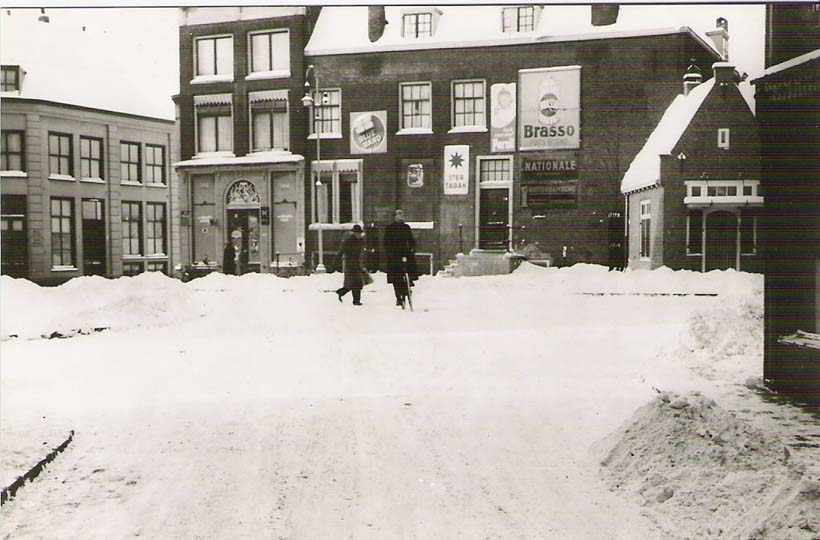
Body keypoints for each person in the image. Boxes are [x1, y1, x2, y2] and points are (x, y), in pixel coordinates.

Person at [383, 209, 418, 308]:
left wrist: (412, 248)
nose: (401, 216)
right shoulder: (389, 228)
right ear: (394, 216)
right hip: (394, 254)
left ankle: (409, 282)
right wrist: (389, 252)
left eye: (402, 214)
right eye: (399, 214)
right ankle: (398, 297)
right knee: (395, 276)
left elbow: (411, 240)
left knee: (410, 266)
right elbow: (386, 242)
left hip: (404, 252)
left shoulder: (406, 227)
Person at [334, 224, 366, 306]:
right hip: (350, 264)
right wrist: (336, 262)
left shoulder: (360, 241)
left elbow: (362, 253)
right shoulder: (349, 241)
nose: (359, 235)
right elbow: (341, 251)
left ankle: (342, 292)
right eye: (358, 233)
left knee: (356, 283)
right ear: (354, 233)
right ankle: (355, 300)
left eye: (360, 233)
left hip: (357, 264)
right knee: (355, 283)